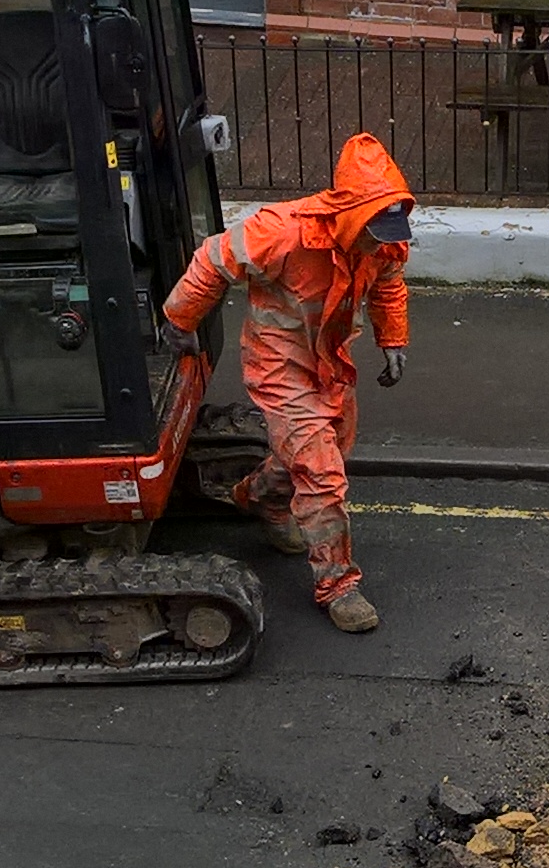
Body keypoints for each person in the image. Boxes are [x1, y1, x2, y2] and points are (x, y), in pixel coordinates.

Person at [160, 132, 413, 634]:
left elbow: (388, 285)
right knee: (321, 472)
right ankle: (338, 586)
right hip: (279, 366)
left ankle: (261, 499)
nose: (379, 242)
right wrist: (179, 321)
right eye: (372, 231)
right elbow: (212, 259)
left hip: (329, 364)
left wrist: (393, 339)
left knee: (322, 452)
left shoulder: (381, 242)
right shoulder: (282, 231)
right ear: (349, 215)